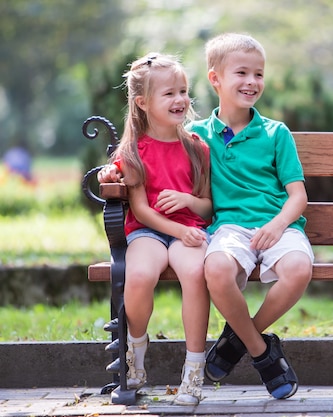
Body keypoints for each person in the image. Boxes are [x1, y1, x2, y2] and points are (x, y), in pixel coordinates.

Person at [187, 32, 314, 400]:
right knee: (216, 270)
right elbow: (153, 156)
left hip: (279, 226)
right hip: (229, 228)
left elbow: (298, 196)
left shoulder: (276, 133)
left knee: (298, 270)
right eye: (241, 73)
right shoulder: (195, 136)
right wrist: (115, 172)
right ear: (215, 79)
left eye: (258, 74)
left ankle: (239, 340)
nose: (251, 82)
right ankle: (261, 352)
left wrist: (277, 227)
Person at [97, 52, 212, 406]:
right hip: (149, 231)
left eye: (183, 91)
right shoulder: (133, 151)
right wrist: (109, 174)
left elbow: (207, 206)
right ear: (143, 102)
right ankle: (136, 352)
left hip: (189, 228)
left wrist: (189, 203)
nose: (180, 100)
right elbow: (142, 212)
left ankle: (194, 370)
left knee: (195, 272)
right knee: (140, 274)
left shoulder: (196, 148)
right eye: (169, 94)